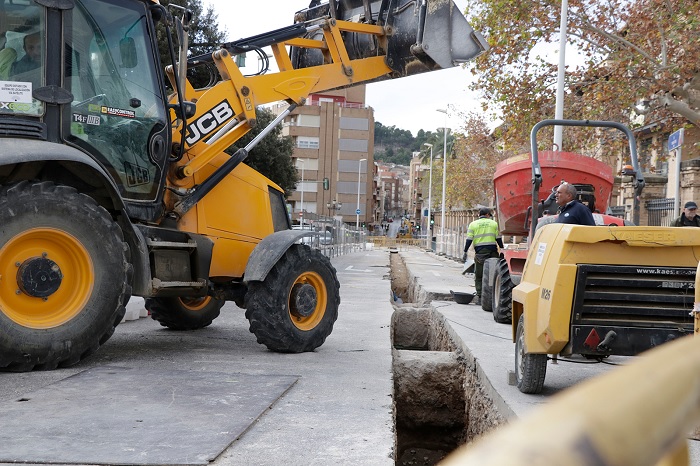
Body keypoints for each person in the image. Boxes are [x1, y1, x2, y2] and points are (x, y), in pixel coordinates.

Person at [462, 207, 503, 306]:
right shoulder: (494, 223)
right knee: (493, 275)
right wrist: (502, 248)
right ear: (488, 215)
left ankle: (480, 297)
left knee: (479, 276)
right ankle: (493, 297)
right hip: (492, 252)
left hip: (480, 253)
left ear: (479, 215)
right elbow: (498, 239)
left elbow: (469, 240)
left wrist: (465, 251)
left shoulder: (473, 224)